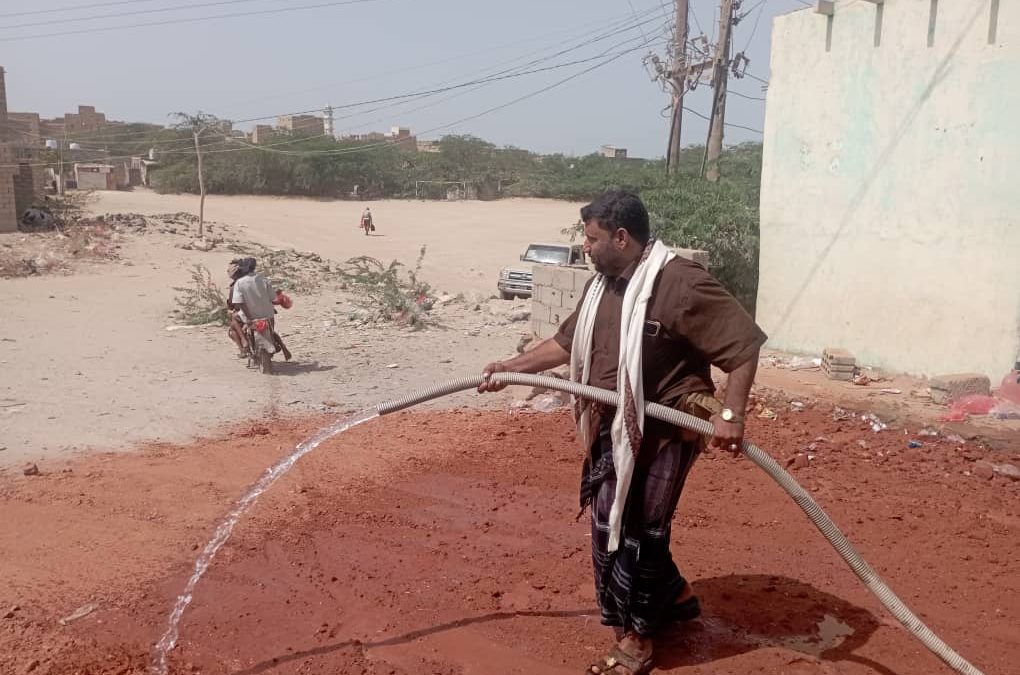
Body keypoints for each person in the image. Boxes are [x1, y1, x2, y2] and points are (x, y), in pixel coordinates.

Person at [478, 190, 766, 675]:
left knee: (635, 532)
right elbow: (564, 343)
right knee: (615, 518)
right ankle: (674, 597)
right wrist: (510, 366)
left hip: (665, 432)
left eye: (591, 239)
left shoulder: (679, 284)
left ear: (621, 237)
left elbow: (743, 346)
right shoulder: (603, 286)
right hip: (610, 428)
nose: (585, 248)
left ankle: (637, 639)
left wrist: (732, 415)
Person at [230, 257, 292, 361]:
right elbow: (273, 298)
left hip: (250, 315)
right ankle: (282, 347)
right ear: (254, 267)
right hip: (268, 314)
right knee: (271, 331)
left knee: (234, 319)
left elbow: (238, 302)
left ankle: (244, 342)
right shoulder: (264, 279)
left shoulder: (239, 283)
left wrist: (249, 317)